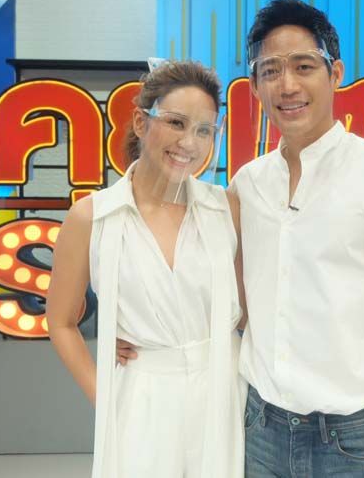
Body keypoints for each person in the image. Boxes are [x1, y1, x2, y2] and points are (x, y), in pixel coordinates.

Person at [119, 0, 364, 478]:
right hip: (260, 430)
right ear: (255, 86)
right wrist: (137, 332)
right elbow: (219, 294)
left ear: (335, 73)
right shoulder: (247, 185)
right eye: (270, 70)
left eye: (303, 66)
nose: (288, 85)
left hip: (358, 440)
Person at [47, 60, 247, 478]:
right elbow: (61, 321)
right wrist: (105, 396)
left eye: (204, 130)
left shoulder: (225, 208)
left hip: (224, 392)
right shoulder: (92, 217)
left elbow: (248, 313)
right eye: (176, 123)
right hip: (140, 398)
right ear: (141, 122)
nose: (189, 143)